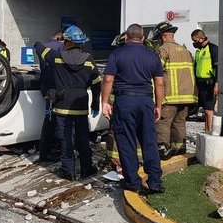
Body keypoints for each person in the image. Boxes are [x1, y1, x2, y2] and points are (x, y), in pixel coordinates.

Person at [101, 24, 165, 194]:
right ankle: (155, 182)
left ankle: (132, 181)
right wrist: (158, 105)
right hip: (145, 101)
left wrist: (105, 102)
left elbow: (108, 79)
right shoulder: (153, 56)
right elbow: (159, 83)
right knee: (149, 141)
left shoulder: (117, 54)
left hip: (124, 101)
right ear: (143, 38)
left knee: (126, 141)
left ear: (126, 37)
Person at [34, 25, 100, 180]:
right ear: (81, 42)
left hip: (62, 105)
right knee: (83, 139)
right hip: (81, 105)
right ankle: (87, 168)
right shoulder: (89, 60)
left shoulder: (57, 57)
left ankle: (68, 171)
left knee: (66, 140)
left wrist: (37, 42)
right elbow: (97, 84)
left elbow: (40, 50)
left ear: (67, 41)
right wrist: (95, 104)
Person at [150, 22, 197, 159]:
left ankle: (162, 150)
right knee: (179, 123)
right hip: (187, 96)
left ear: (163, 37)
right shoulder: (186, 51)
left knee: (163, 123)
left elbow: (156, 73)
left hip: (170, 96)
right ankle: (180, 150)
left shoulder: (163, 50)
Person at [37, 31, 64, 162]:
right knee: (61, 122)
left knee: (49, 120)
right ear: (61, 38)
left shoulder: (45, 46)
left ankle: (46, 151)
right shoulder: (61, 47)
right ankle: (55, 150)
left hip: (47, 90)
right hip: (59, 89)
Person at [191, 29, 219, 133]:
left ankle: (210, 130)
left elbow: (218, 67)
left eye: (195, 40)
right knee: (205, 110)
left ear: (202, 38)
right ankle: (207, 130)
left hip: (210, 83)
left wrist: (217, 83)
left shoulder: (212, 49)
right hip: (200, 84)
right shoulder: (199, 51)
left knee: (209, 110)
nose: (194, 43)